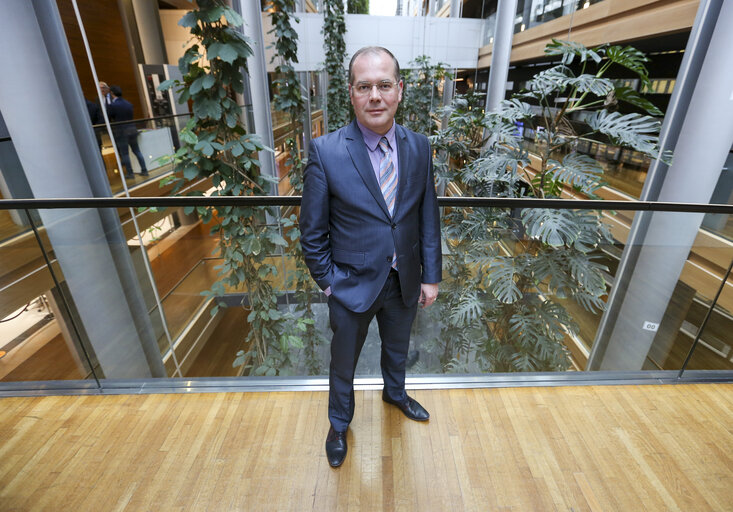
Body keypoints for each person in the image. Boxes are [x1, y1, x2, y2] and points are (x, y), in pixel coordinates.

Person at [299, 46, 441, 468]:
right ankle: (339, 423)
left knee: (397, 351)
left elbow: (426, 215)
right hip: (350, 285)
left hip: (404, 280)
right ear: (351, 94)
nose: (374, 95)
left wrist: (430, 275)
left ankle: (394, 393)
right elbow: (312, 233)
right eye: (365, 87)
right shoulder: (326, 151)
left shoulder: (419, 147)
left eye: (383, 85)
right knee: (343, 363)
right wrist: (330, 284)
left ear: (400, 91)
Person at [106, 85, 148, 180]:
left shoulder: (113, 105)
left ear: (112, 93)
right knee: (137, 151)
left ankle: (130, 173)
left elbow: (109, 116)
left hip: (121, 131)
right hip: (132, 129)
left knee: (125, 153)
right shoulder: (128, 104)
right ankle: (144, 170)